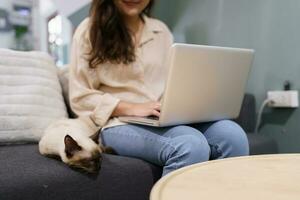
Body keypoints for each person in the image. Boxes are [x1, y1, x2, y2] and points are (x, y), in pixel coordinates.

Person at [69, 0, 249, 176]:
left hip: (161, 115)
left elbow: (171, 81)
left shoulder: (161, 31)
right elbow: (80, 97)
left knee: (233, 135)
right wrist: (131, 107)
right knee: (189, 144)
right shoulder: (89, 30)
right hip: (117, 122)